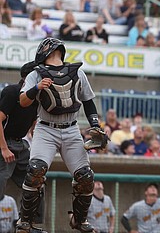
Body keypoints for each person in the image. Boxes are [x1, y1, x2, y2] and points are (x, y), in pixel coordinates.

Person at [16, 37, 107, 233]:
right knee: (36, 171)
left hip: (71, 128)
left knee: (85, 177)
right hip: (46, 129)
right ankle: (25, 222)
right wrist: (36, 88)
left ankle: (79, 220)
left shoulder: (77, 72)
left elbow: (88, 101)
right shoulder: (36, 74)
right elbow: (23, 101)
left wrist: (95, 125)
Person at [0, 61, 42, 226]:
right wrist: (3, 148)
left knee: (36, 181)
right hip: (4, 142)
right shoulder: (12, 92)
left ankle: (27, 224)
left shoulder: (38, 97)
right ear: (29, 77)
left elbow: (33, 124)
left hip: (21, 144)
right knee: (1, 180)